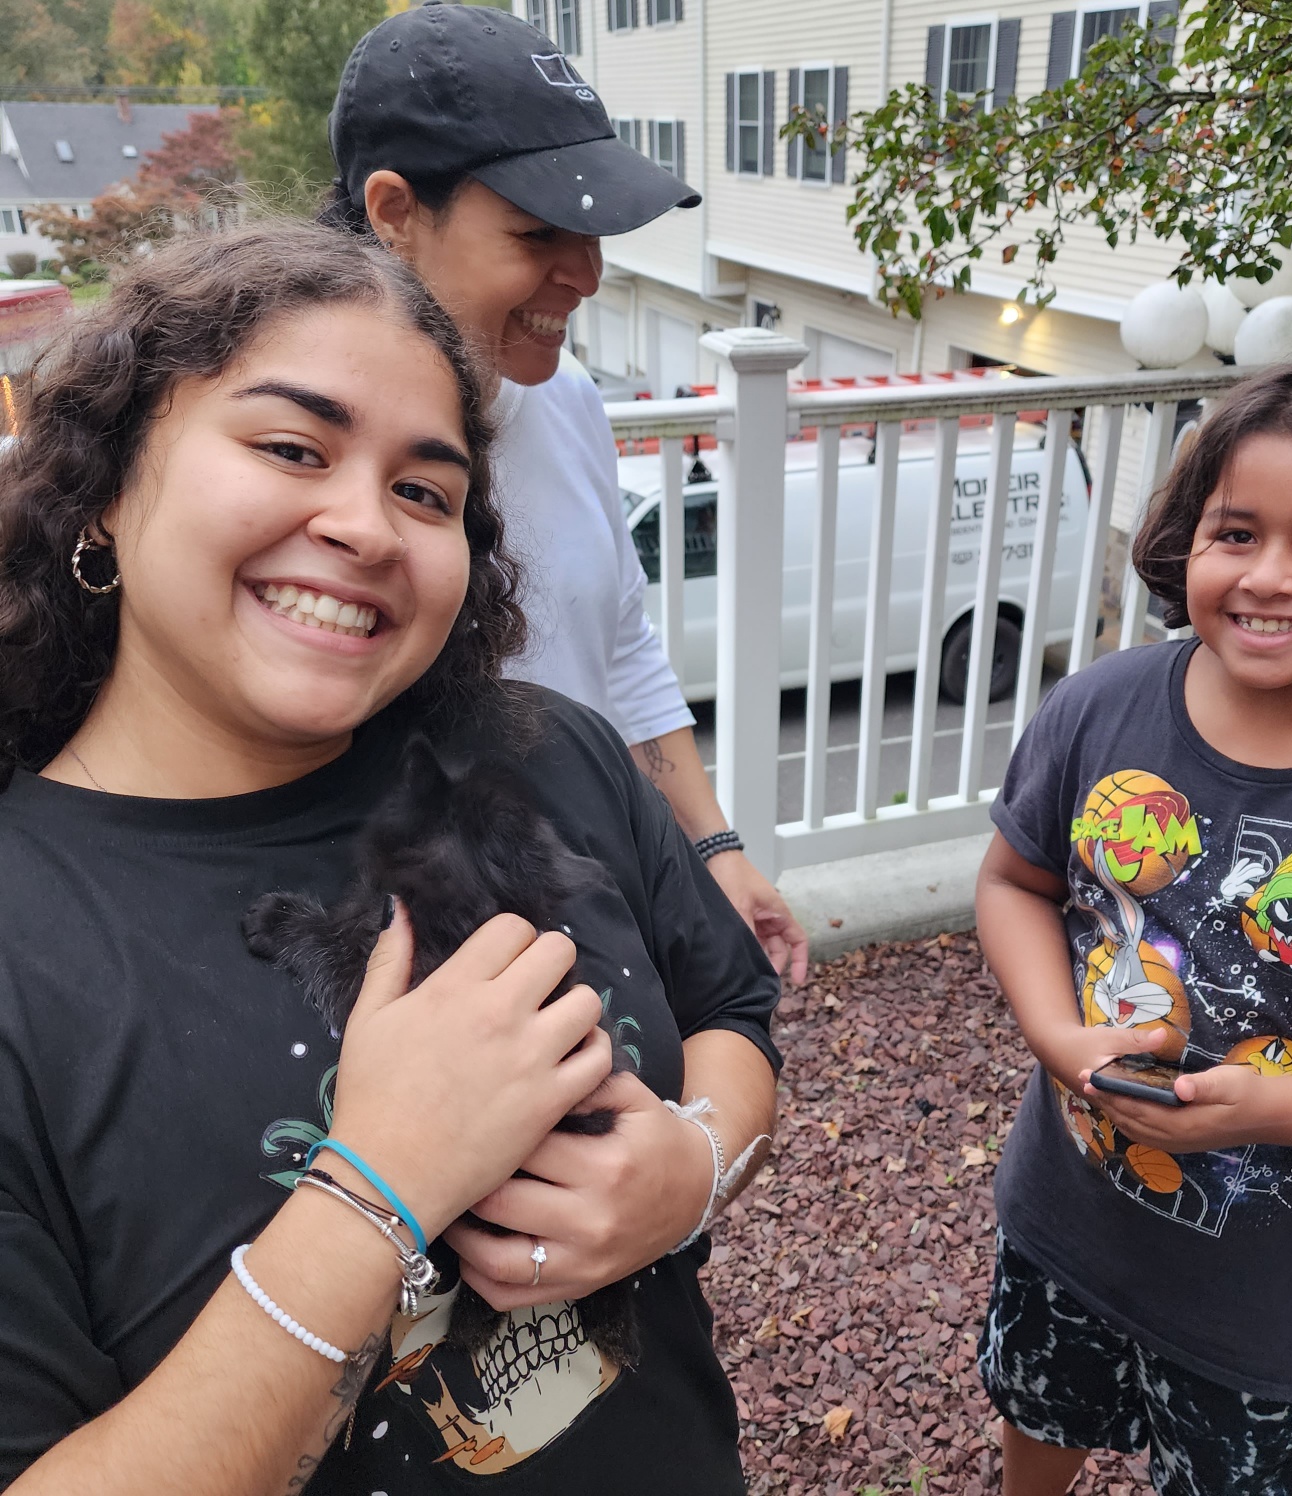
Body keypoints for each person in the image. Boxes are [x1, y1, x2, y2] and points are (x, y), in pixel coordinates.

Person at [0, 223, 779, 1493]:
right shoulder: (27, 949)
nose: (365, 526)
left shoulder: (551, 753)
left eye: (425, 489)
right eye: (290, 447)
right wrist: (378, 1189)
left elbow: (734, 1009)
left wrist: (689, 1169)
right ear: (104, 481)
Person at [972, 355, 1292, 1496]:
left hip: (1267, 1291)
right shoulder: (1098, 707)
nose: (1267, 575)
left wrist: (1279, 1107)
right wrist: (1058, 1036)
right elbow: (1011, 883)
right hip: (1066, 1214)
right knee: (1036, 1405)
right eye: (1232, 531)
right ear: (1182, 541)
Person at [319, 1, 809, 982]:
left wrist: (711, 847)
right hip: (416, 957)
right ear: (394, 214)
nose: (584, 272)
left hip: (593, 897)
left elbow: (619, 643)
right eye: (539, 231)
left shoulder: (568, 399)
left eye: (589, 232)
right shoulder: (314, 473)